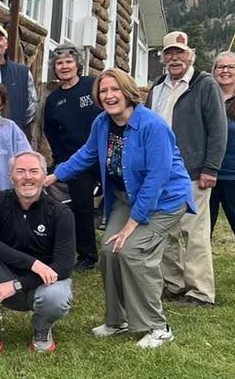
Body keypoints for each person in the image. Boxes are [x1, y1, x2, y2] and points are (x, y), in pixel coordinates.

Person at [49, 68, 196, 349]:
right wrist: (55, 175)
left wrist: (133, 224)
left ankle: (158, 326)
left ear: (128, 92)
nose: (108, 95)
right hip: (125, 198)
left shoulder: (152, 126)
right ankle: (119, 321)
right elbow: (87, 154)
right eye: (103, 91)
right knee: (108, 252)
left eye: (114, 89)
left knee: (132, 252)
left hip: (163, 201)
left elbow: (156, 178)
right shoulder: (102, 123)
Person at [148, 30, 227, 307]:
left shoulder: (204, 85)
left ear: (190, 55)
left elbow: (218, 130)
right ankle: (174, 283)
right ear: (163, 58)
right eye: (169, 52)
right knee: (166, 231)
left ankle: (201, 292)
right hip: (160, 173)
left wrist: (211, 168)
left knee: (194, 232)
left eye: (180, 52)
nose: (174, 57)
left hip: (193, 171)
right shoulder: (157, 87)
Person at [0, 151, 75, 357]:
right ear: (11, 177)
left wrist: (17, 285)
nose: (27, 177)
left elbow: (63, 267)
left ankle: (42, 330)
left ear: (44, 177)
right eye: (21, 171)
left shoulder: (61, 213)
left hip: (42, 285)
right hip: (3, 281)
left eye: (34, 171)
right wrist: (33, 263)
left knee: (58, 296)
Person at [42, 43, 101, 270]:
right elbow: (50, 131)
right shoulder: (54, 99)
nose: (64, 66)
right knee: (81, 205)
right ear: (54, 69)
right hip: (75, 160)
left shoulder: (92, 85)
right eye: (59, 63)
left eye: (68, 61)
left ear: (77, 64)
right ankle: (87, 255)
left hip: (102, 153)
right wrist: (61, 157)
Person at [210, 51, 235, 235]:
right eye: (221, 66)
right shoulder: (207, 97)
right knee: (201, 232)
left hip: (233, 176)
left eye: (230, 67)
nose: (225, 70)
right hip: (207, 175)